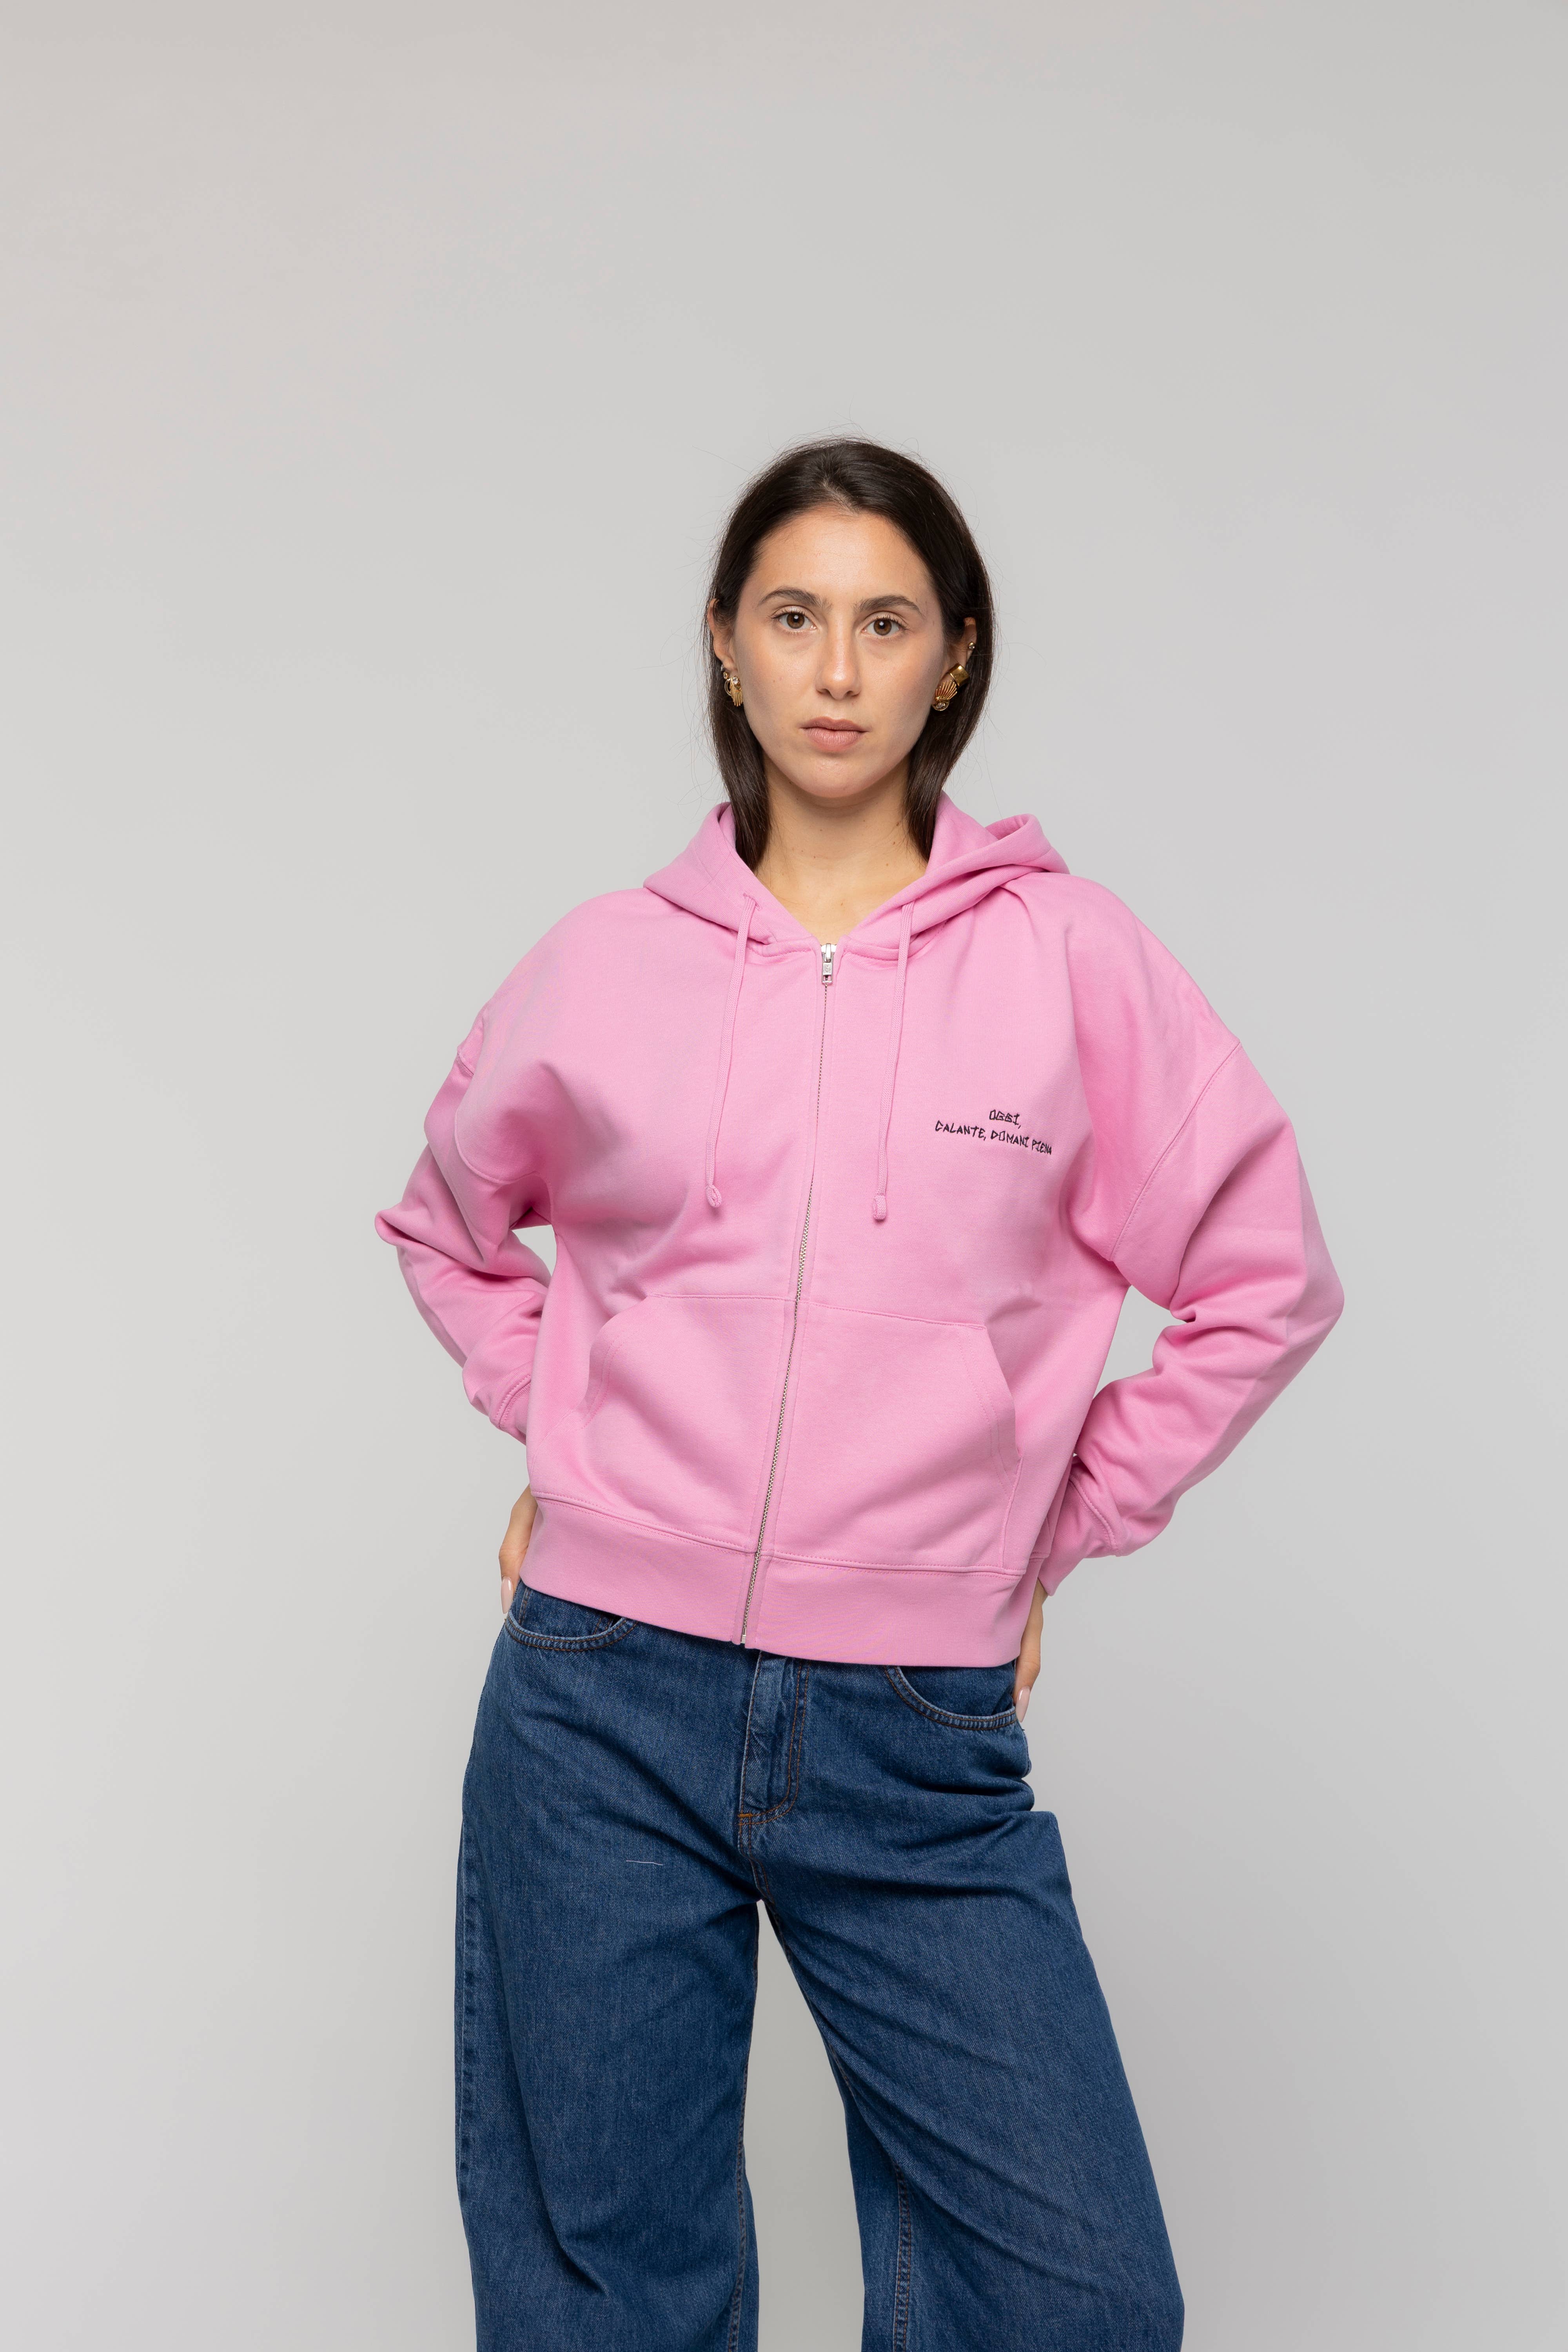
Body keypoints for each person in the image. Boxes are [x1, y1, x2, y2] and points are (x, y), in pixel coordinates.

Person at [375, 437, 1343, 2352]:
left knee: (1075, 2300)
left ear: (952, 658)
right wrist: (572, 1423)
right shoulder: (606, 966)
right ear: (723, 646)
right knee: (609, 2299)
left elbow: (1265, 1279)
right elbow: (447, 1228)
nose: (835, 670)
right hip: (596, 1703)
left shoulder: (1071, 962)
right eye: (794, 618)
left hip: (914, 1729)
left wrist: (1047, 1520)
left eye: (885, 623)